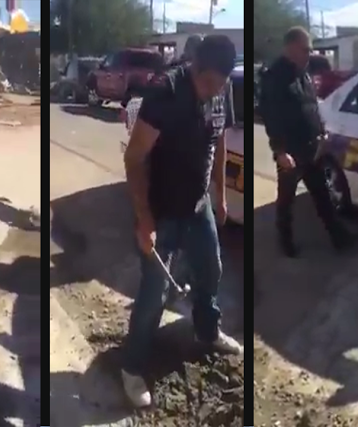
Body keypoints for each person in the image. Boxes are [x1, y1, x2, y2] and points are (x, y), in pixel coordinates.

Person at [121, 34, 242, 408]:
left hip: (198, 203)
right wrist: (144, 220)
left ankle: (207, 332)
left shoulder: (221, 91)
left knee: (211, 269)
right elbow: (134, 157)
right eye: (208, 83)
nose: (213, 91)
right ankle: (132, 367)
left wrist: (220, 195)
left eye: (220, 85)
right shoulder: (165, 94)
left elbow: (218, 140)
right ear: (194, 67)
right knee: (154, 293)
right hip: (161, 210)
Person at [261, 27, 355, 257]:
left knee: (322, 195)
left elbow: (312, 107)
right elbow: (271, 117)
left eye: (310, 50)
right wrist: (280, 151)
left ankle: (338, 236)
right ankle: (285, 240)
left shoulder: (303, 73)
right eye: (305, 49)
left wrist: (322, 134)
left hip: (312, 148)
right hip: (291, 152)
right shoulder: (275, 77)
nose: (309, 54)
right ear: (290, 48)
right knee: (286, 201)